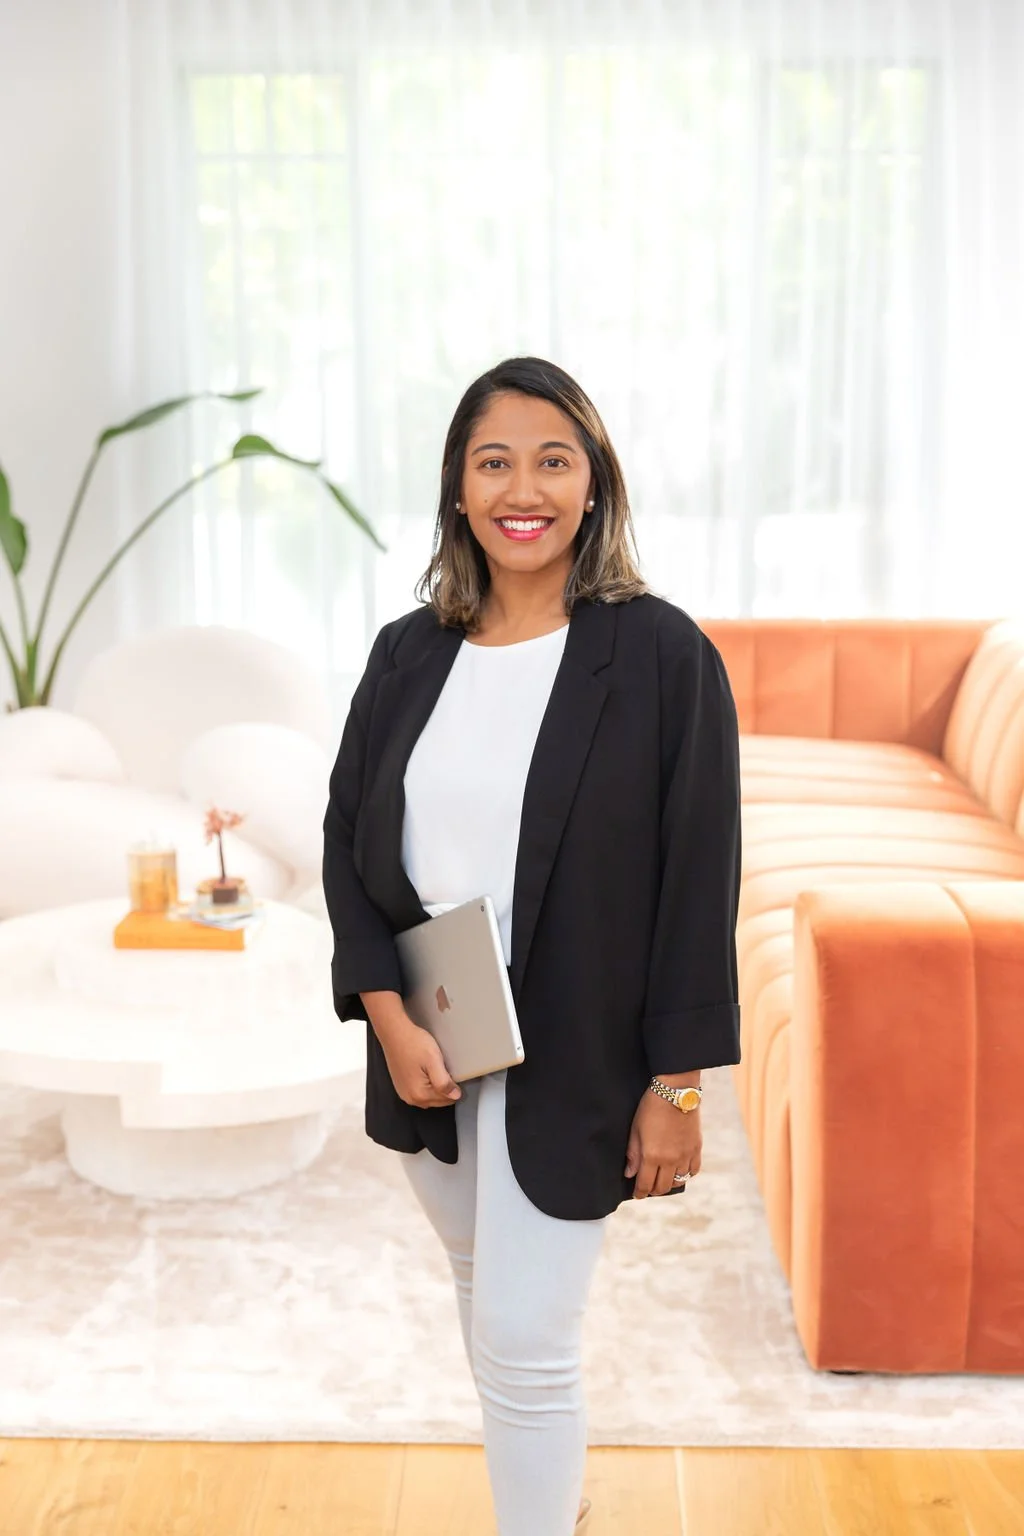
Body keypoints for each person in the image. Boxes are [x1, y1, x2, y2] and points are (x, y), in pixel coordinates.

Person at [322, 355, 742, 1536]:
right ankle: (555, 1497)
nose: (525, 488)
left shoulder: (662, 658)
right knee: (478, 1289)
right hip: (431, 1042)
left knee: (524, 1335)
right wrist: (390, 1018)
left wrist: (679, 1086)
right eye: (492, 461)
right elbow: (348, 839)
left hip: (580, 1051)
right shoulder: (409, 653)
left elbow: (697, 877)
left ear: (595, 482)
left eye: (553, 460)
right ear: (457, 490)